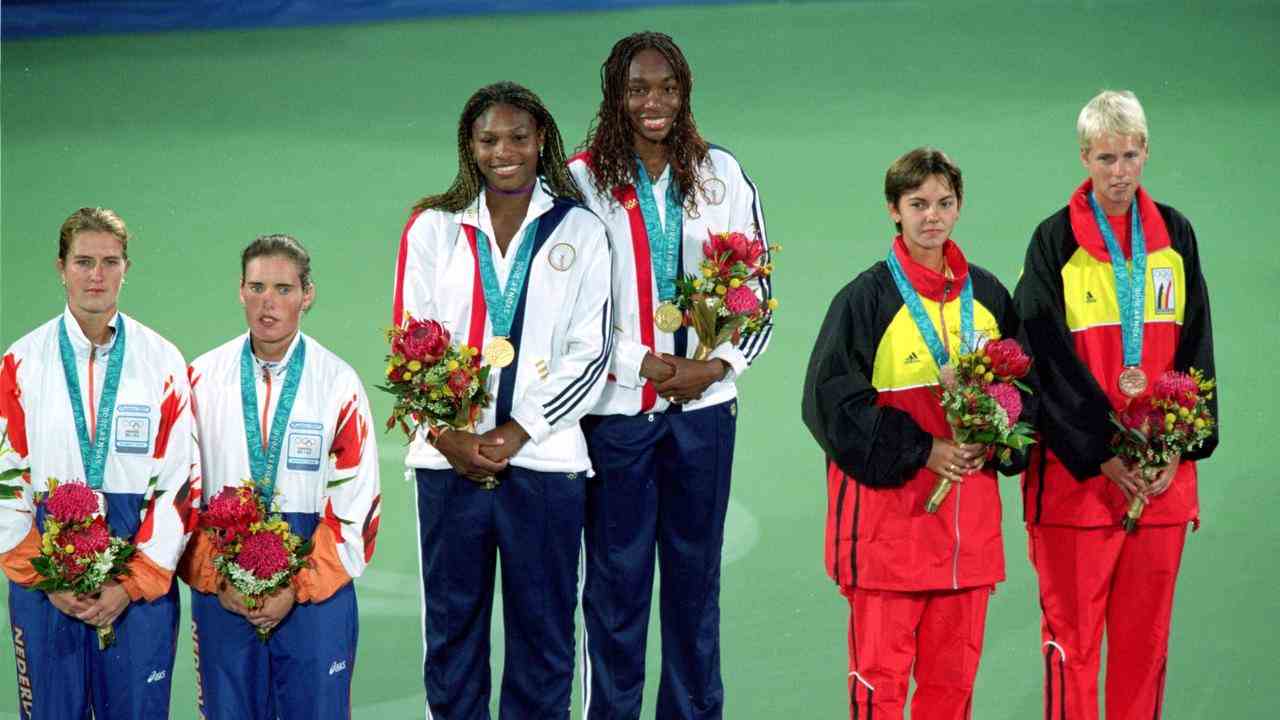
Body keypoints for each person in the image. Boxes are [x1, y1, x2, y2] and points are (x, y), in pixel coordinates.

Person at [567, 31, 772, 720]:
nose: (652, 102)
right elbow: (567, 309)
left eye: (665, 88)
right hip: (618, 416)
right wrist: (646, 364)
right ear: (615, 97)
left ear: (683, 93)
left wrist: (718, 364)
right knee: (616, 591)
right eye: (637, 89)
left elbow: (758, 293)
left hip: (705, 417)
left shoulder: (723, 174)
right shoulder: (580, 180)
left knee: (694, 588)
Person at [392, 81, 612, 719]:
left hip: (544, 464)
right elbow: (411, 344)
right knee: (453, 634)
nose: (504, 150)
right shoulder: (434, 227)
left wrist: (515, 434)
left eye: (519, 137)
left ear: (542, 141)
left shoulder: (580, 229)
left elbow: (590, 352)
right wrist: (446, 436)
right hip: (446, 466)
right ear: (470, 145)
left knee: (544, 638)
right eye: (489, 139)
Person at [802, 148, 1034, 719]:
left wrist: (998, 437)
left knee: (951, 692)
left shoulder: (989, 296)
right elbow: (828, 405)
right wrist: (924, 448)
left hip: (968, 538)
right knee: (880, 688)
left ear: (959, 209)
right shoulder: (865, 300)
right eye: (918, 204)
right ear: (894, 211)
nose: (932, 216)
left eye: (944, 203)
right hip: (889, 535)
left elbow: (1025, 392)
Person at [1014, 90, 1217, 720]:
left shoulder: (1176, 235)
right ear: (1085, 158)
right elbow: (1044, 358)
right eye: (1106, 158)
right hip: (1080, 487)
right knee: (1072, 645)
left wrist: (1177, 449)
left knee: (1145, 645)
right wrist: (1101, 452)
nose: (1120, 172)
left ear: (1147, 151)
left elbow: (1196, 349)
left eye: (1131, 155)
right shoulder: (1053, 243)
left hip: (1159, 484)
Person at [0, 207, 199, 719]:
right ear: (60, 267)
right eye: (83, 261)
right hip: (45, 573)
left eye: (109, 262)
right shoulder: (21, 362)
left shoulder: (162, 361)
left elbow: (179, 484)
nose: (96, 274)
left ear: (126, 268)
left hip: (137, 571)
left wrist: (128, 584)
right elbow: (5, 482)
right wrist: (48, 578)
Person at [178, 234, 381, 720]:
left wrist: (297, 586)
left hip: (314, 595)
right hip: (224, 593)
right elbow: (181, 492)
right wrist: (216, 578)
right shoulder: (201, 377)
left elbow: (358, 503)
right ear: (240, 290)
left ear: (307, 295)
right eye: (257, 287)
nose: (268, 303)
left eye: (284, 290)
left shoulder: (337, 383)